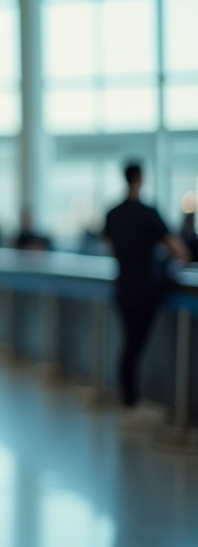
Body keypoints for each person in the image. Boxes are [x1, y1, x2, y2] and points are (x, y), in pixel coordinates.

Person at [102, 161, 190, 428]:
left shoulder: (113, 214)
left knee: (129, 346)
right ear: (141, 179)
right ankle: (131, 405)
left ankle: (130, 402)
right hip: (145, 290)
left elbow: (109, 245)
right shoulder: (148, 213)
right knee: (133, 348)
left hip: (122, 289)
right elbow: (178, 249)